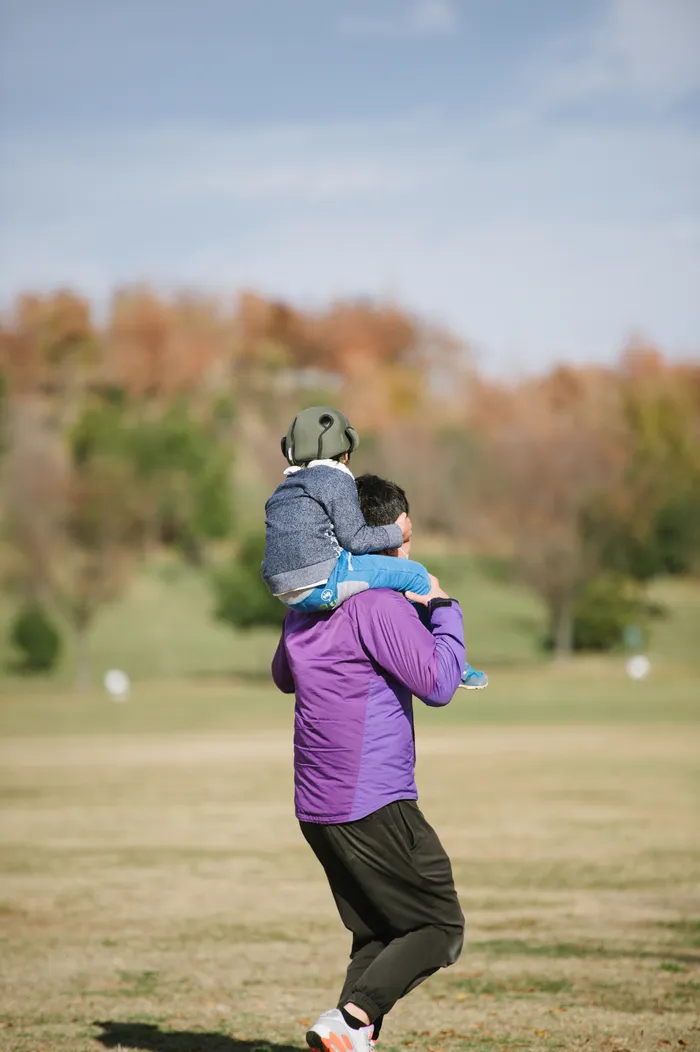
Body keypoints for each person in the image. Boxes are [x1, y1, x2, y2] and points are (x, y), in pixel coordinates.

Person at [271, 473, 469, 1052]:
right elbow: (437, 682)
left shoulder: (307, 608)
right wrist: (441, 606)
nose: (408, 551)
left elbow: (284, 676)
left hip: (317, 807)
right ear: (382, 535)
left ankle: (348, 1035)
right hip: (374, 801)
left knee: (379, 931)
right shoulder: (381, 604)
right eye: (403, 538)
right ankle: (353, 1019)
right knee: (438, 926)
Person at [263, 405, 487, 690]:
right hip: (325, 581)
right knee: (416, 576)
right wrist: (398, 533)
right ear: (344, 454)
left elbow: (283, 681)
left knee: (396, 579)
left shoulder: (285, 489)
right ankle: (458, 663)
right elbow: (355, 539)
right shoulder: (336, 477)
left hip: (288, 593)